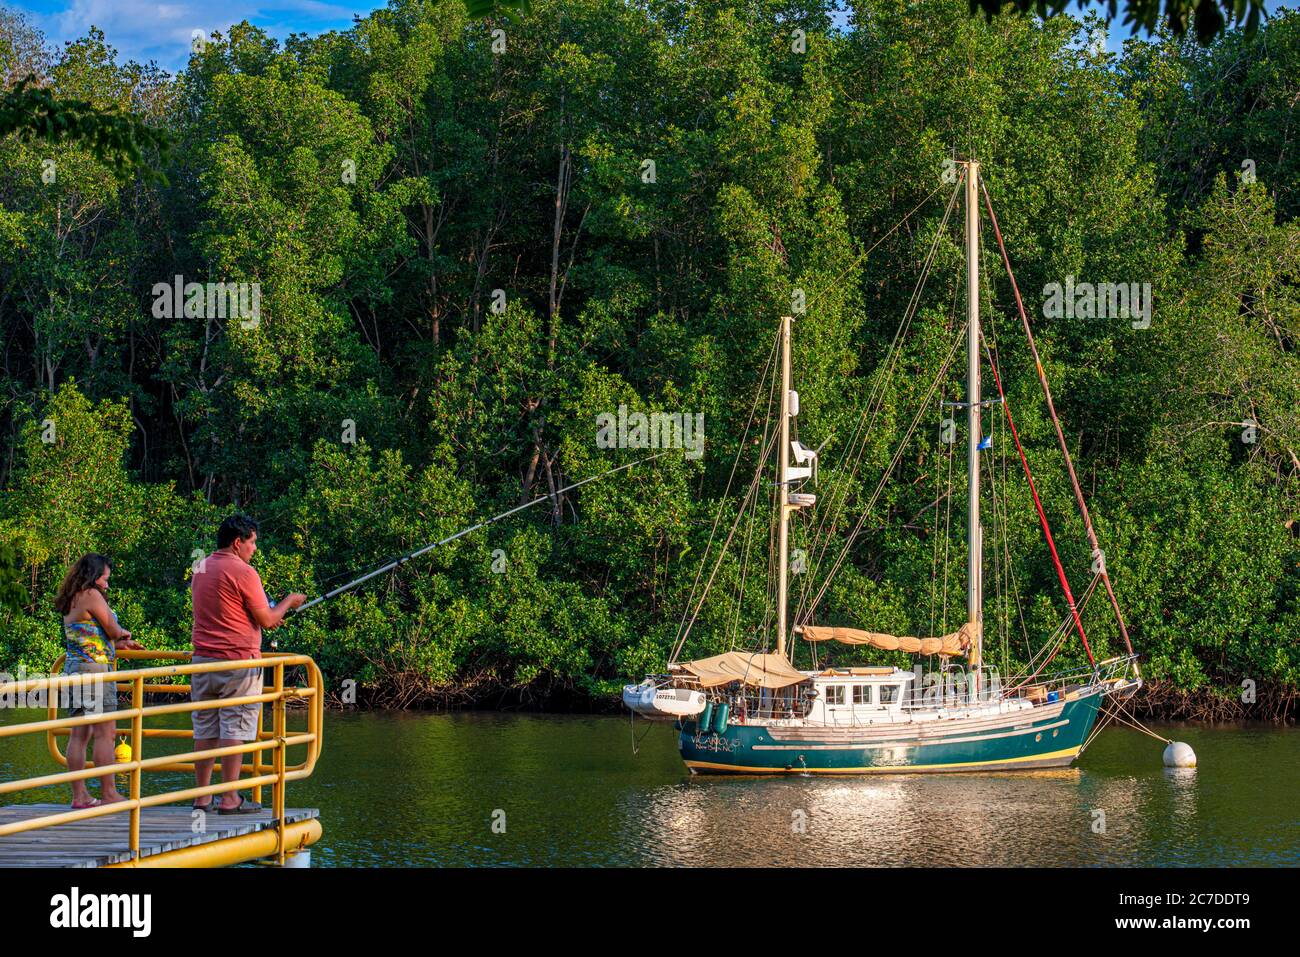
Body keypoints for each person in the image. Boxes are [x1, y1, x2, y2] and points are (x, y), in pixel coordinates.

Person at [190, 515, 305, 814]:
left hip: (202, 661)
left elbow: (232, 611)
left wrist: (271, 613)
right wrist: (288, 602)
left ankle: (202, 798)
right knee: (234, 727)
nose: (255, 548)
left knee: (205, 729)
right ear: (238, 542)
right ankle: (230, 798)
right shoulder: (244, 572)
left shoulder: (200, 569)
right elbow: (266, 619)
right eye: (252, 542)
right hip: (237, 664)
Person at [54, 554, 144, 809]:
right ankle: (109, 793)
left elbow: (91, 635)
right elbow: (114, 629)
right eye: (105, 579)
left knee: (80, 734)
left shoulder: (73, 596)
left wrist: (117, 644)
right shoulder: (91, 594)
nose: (107, 585)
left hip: (76, 668)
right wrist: (122, 634)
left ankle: (79, 795)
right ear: (94, 576)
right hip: (95, 672)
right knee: (106, 734)